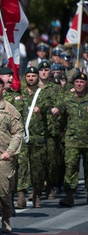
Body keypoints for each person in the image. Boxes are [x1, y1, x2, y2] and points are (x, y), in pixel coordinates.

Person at [0, 77, 24, 233]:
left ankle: (5, 219)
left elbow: (18, 133)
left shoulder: (10, 109)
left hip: (3, 157)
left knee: (4, 192)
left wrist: (10, 151)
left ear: (3, 90)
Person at [13, 67, 49, 209]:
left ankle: (37, 194)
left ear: (37, 77)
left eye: (34, 76)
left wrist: (41, 110)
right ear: (25, 77)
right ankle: (21, 195)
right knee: (22, 167)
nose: (31, 78)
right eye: (29, 76)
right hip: (22, 137)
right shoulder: (19, 94)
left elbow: (48, 109)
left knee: (37, 168)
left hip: (38, 137)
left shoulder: (42, 95)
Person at [58, 73, 88, 207]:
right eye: (77, 82)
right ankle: (69, 195)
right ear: (74, 84)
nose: (79, 84)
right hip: (72, 140)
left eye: (82, 82)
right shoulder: (67, 99)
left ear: (86, 84)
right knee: (70, 167)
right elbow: (61, 119)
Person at [37, 60, 64, 199]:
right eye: (41, 70)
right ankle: (37, 187)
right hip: (36, 130)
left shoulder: (56, 88)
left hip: (51, 129)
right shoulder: (33, 88)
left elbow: (62, 102)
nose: (43, 72)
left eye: (47, 70)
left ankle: (50, 185)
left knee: (52, 160)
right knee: (37, 160)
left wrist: (58, 108)